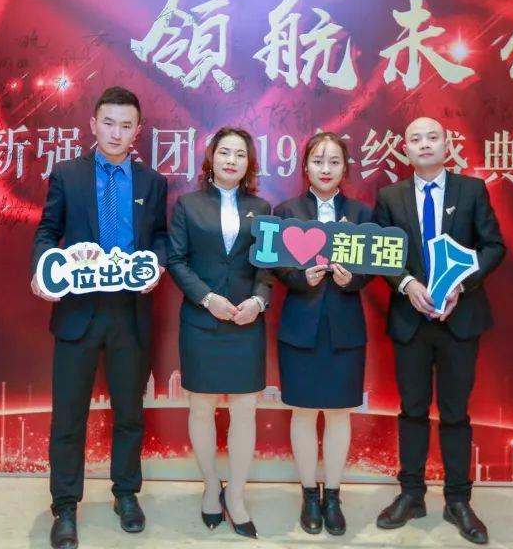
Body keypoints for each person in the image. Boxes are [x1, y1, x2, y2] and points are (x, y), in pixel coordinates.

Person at [30, 86, 168, 549]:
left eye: (126, 125)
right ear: (93, 124)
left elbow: (162, 237)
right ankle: (65, 506)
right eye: (108, 123)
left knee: (130, 412)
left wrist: (157, 265)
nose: (116, 133)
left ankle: (126, 494)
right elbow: (47, 232)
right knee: (69, 416)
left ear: (137, 131)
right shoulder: (67, 174)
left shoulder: (152, 182)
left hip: (130, 311)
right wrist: (44, 271)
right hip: (78, 311)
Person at [372, 116, 505, 546]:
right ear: (405, 149)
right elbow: (381, 252)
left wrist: (461, 286)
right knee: (412, 409)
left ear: (447, 145)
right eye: (416, 139)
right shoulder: (390, 197)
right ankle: (411, 495)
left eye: (433, 137)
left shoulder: (472, 190)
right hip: (411, 320)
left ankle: (458, 500)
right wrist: (407, 285)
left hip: (459, 319)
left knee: (454, 413)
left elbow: (494, 246)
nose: (425, 144)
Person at [167, 127, 273, 539]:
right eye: (225, 152)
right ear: (211, 158)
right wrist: (207, 298)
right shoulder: (188, 205)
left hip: (246, 322)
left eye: (240, 154)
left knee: (245, 410)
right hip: (202, 321)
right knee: (201, 408)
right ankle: (211, 487)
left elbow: (268, 265)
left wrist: (259, 301)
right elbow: (176, 261)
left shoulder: (261, 207)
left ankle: (238, 495)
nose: (232, 160)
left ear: (249, 163)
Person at [272, 132, 372, 536]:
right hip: (300, 326)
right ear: (305, 167)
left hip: (345, 327)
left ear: (345, 168)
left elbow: (374, 265)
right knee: (302, 412)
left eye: (334, 162)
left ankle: (333, 495)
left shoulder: (362, 213)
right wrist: (300, 277)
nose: (325, 169)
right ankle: (308, 495)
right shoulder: (287, 210)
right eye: (318, 161)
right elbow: (275, 264)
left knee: (338, 414)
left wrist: (353, 279)